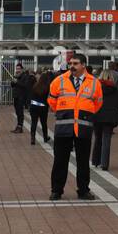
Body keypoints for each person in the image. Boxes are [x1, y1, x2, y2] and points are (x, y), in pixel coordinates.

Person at [48, 56, 101, 200]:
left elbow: (98, 103)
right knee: (60, 160)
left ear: (84, 65)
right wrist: (63, 112)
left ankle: (83, 190)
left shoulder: (94, 83)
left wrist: (85, 113)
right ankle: (56, 190)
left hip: (83, 127)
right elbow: (52, 101)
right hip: (63, 127)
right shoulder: (59, 81)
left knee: (83, 161)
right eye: (70, 63)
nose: (72, 66)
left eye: (76, 63)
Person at [91, 69, 118, 170]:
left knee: (97, 138)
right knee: (106, 139)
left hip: (97, 115)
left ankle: (95, 160)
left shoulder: (96, 89)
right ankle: (104, 163)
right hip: (110, 116)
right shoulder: (116, 90)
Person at [28, 70, 53, 145]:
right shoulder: (47, 87)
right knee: (44, 123)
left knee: (34, 122)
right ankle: (45, 137)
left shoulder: (35, 85)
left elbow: (31, 95)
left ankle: (32, 138)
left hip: (34, 106)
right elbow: (48, 98)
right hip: (42, 107)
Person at [12, 63, 33, 133]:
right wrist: (13, 81)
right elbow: (12, 85)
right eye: (17, 68)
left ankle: (20, 127)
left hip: (21, 97)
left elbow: (25, 85)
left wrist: (17, 82)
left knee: (20, 112)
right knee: (17, 112)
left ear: (22, 69)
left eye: (19, 69)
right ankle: (18, 125)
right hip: (15, 96)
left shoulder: (25, 76)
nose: (17, 70)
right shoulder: (16, 75)